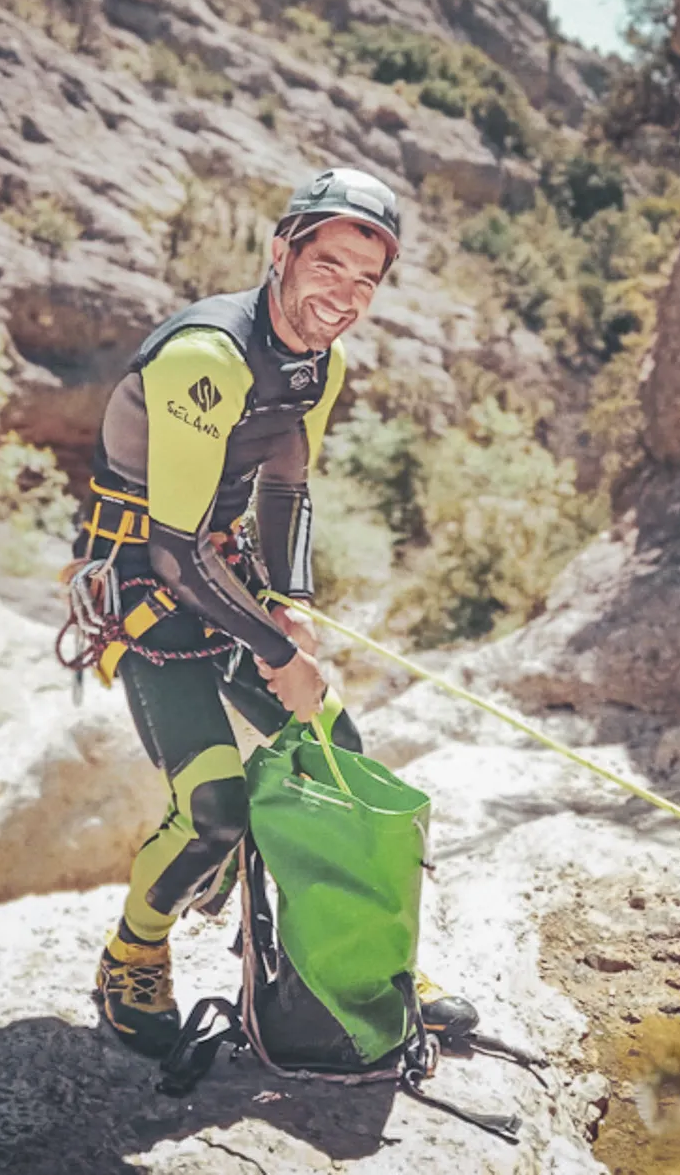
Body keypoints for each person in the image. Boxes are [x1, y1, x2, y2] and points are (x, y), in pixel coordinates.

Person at [70, 166, 475, 1057]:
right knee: (215, 807)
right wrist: (280, 653)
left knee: (338, 755)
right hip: (144, 586)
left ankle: (347, 956)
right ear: (280, 250)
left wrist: (291, 606)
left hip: (222, 572)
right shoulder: (206, 357)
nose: (345, 294)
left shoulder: (320, 365)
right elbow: (173, 550)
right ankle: (132, 954)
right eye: (329, 265)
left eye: (366, 279)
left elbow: (286, 486)